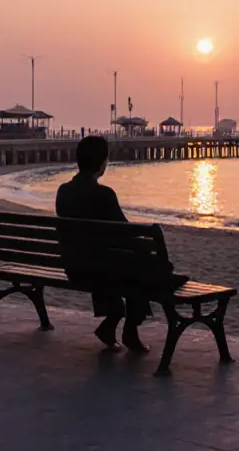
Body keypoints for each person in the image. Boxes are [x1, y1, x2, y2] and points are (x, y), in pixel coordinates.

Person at [55, 135, 163, 353]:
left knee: (116, 261)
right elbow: (127, 232)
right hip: (98, 267)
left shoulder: (63, 191)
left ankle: (113, 320)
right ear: (102, 163)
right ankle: (129, 330)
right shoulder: (104, 194)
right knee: (139, 267)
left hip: (74, 265)